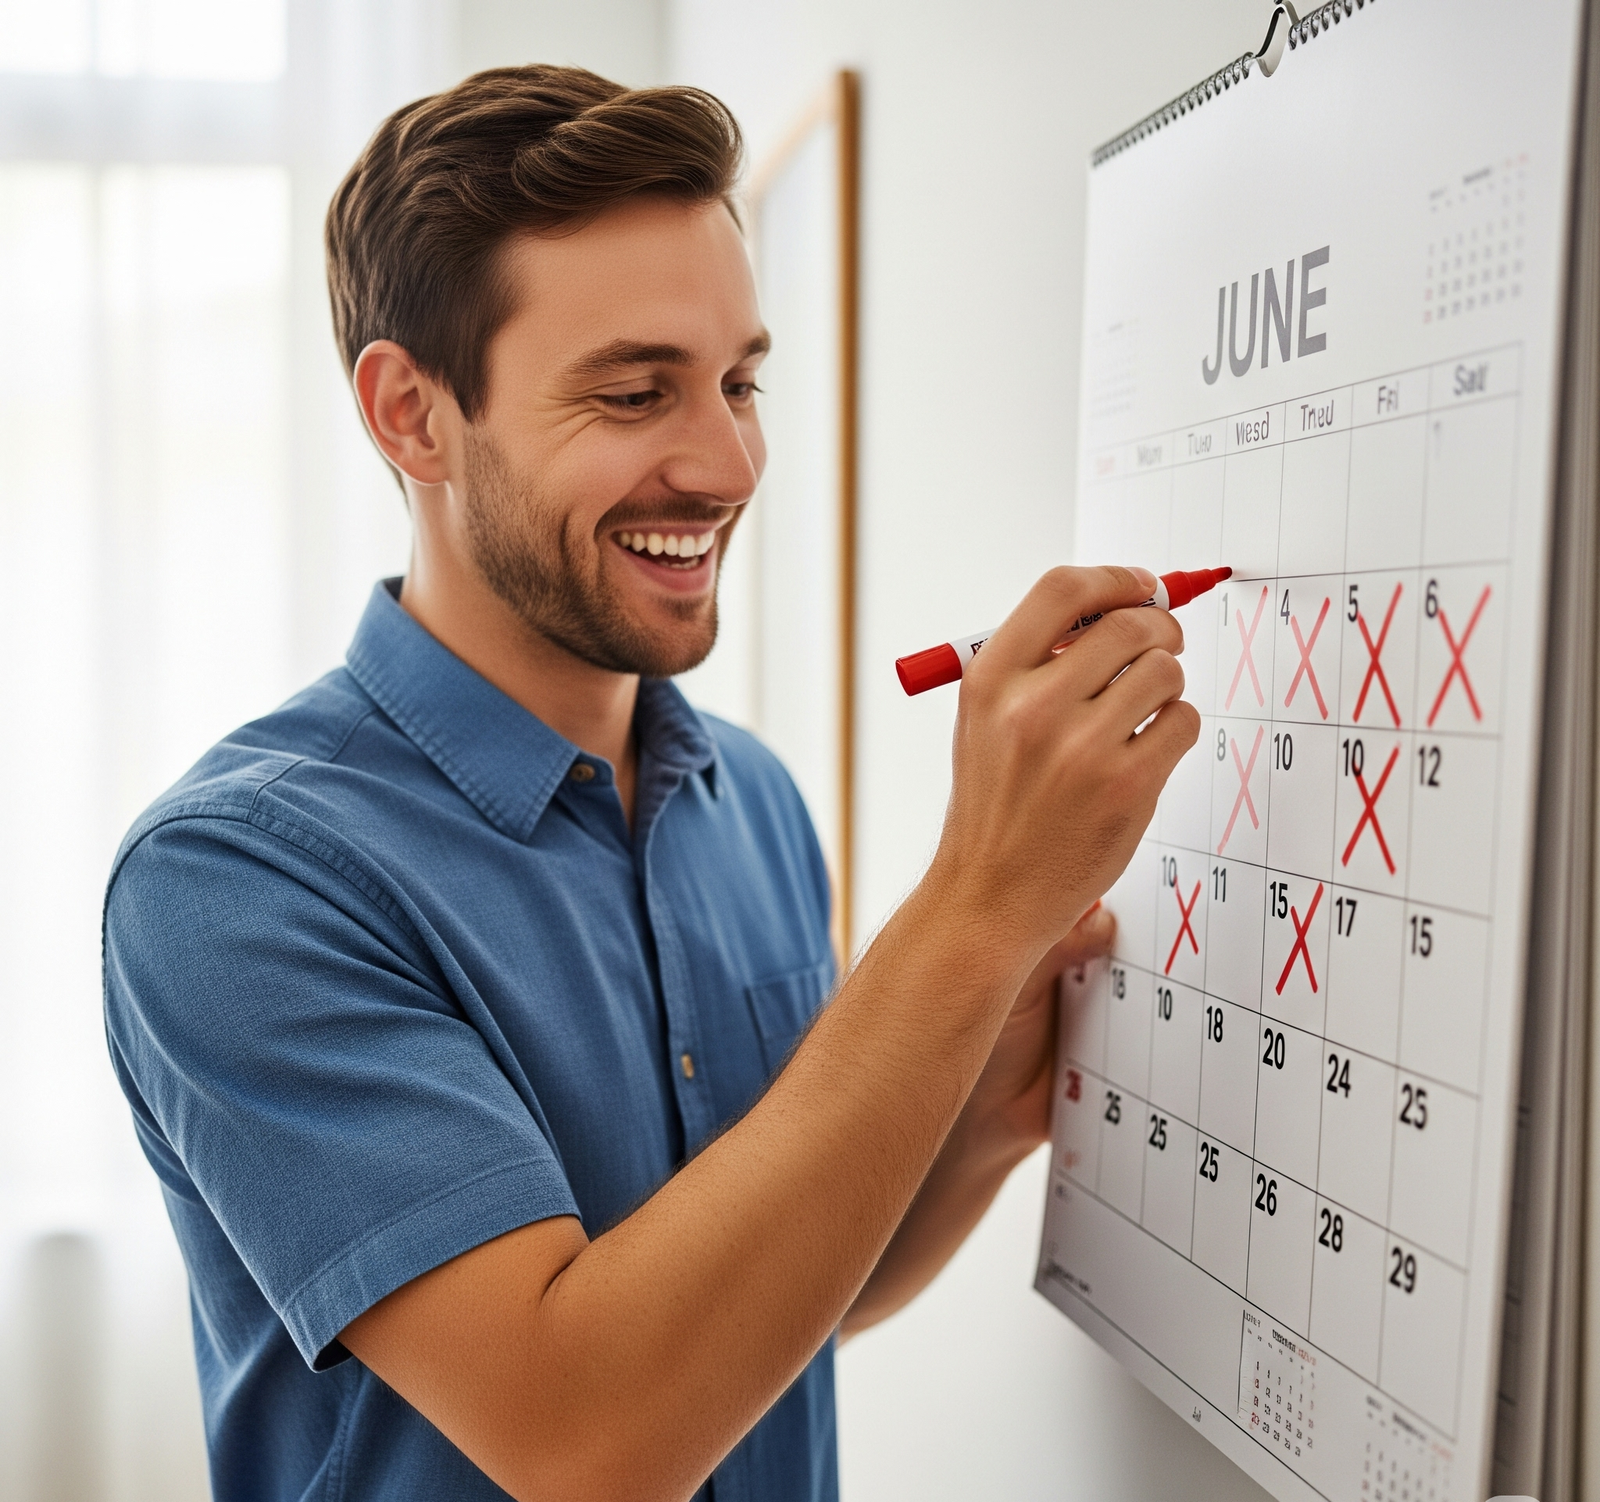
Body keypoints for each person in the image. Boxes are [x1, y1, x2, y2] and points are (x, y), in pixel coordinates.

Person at [102, 65, 1197, 1502]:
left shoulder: (751, 802)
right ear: (411, 415)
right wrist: (975, 909)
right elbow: (589, 1436)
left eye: (742, 381)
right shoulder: (234, 880)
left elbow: (782, 1303)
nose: (729, 461)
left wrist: (981, 1104)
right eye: (635, 392)